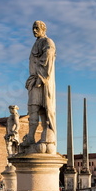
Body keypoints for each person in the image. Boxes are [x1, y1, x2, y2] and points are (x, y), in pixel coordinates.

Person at [23, 20, 57, 149]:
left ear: (44, 29)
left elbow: (47, 58)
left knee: (44, 109)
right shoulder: (36, 43)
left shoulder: (48, 42)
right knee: (33, 108)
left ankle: (47, 135)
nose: (34, 30)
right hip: (34, 79)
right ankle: (31, 137)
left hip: (42, 80)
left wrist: (40, 77)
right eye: (33, 28)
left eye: (37, 28)